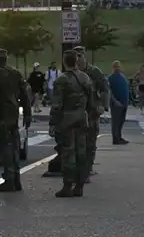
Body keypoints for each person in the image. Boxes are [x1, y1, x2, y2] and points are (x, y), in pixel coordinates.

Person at [49, 49, 92, 198]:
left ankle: (67, 185)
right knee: (82, 152)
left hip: (67, 120)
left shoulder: (62, 80)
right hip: (82, 118)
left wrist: (53, 123)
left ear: (64, 62)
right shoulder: (85, 77)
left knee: (68, 153)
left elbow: (56, 104)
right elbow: (91, 100)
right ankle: (79, 186)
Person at [0, 48, 32, 192]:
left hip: (3, 113)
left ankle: (9, 180)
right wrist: (27, 114)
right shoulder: (15, 73)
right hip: (14, 113)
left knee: (5, 147)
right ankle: (16, 179)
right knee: (14, 146)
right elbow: (25, 94)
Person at [74, 46, 108, 181]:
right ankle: (78, 171)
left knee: (90, 143)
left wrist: (103, 106)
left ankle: (86, 171)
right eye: (76, 57)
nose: (79, 59)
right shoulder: (72, 73)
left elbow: (105, 88)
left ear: (84, 57)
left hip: (92, 112)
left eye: (80, 56)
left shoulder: (94, 72)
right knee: (75, 144)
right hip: (76, 113)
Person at [108, 60, 129, 145]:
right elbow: (109, 91)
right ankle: (115, 139)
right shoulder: (111, 78)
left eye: (118, 66)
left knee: (121, 121)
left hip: (124, 102)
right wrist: (114, 101)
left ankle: (119, 137)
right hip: (116, 103)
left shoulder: (122, 76)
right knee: (116, 121)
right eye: (115, 66)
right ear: (113, 67)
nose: (117, 68)